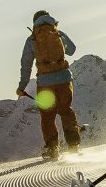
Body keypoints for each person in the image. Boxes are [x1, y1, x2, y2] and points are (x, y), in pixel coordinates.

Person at [19, 10, 82, 159]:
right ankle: (73, 145)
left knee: (47, 116)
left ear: (34, 23)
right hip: (64, 79)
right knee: (66, 110)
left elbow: (26, 64)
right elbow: (72, 50)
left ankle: (52, 149)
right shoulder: (58, 33)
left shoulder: (32, 39)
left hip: (45, 83)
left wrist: (22, 87)